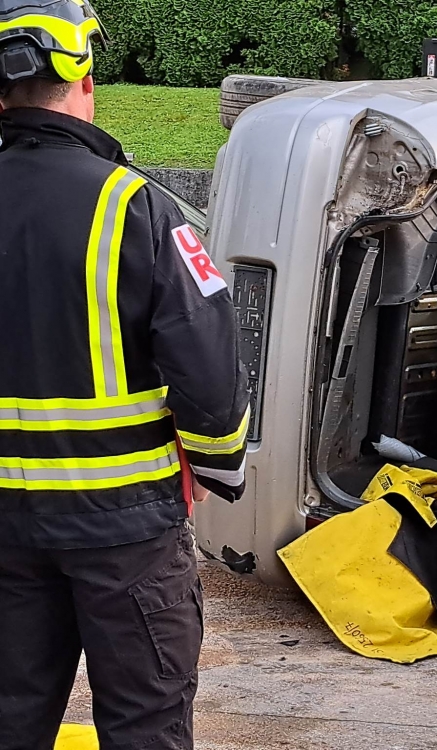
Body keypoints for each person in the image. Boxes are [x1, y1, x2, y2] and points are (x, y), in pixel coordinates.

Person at [0, 2, 250, 748]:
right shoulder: (135, 206)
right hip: (126, 528)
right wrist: (217, 466)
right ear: (84, 75)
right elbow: (206, 363)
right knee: (145, 722)